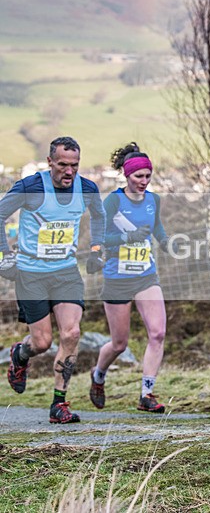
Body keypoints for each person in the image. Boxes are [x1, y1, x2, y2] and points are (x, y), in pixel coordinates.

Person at [2, 136, 105, 424]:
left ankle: (59, 404)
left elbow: (99, 216)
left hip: (65, 272)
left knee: (71, 333)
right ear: (50, 162)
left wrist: (97, 249)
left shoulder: (87, 189)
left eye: (74, 165)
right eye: (62, 165)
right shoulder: (31, 187)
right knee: (42, 342)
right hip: (31, 274)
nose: (69, 171)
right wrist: (4, 256)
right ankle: (20, 355)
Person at [89, 143, 170, 414]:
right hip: (117, 278)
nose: (144, 181)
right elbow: (100, 238)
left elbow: (156, 227)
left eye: (148, 176)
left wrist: (168, 243)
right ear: (127, 175)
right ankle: (98, 375)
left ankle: (146, 394)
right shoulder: (113, 201)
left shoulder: (153, 200)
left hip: (146, 275)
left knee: (158, 333)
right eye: (139, 176)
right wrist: (126, 237)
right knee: (119, 344)